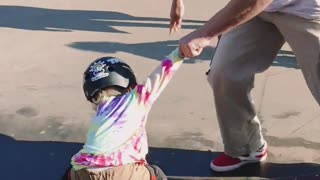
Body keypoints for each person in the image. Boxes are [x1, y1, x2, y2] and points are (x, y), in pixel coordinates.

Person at [170, 0, 320, 172]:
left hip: (309, 12)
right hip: (256, 11)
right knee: (225, 72)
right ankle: (246, 147)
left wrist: (205, 33)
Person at [67, 48, 184, 180]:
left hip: (83, 170)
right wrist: (180, 53)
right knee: (155, 173)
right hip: (122, 173)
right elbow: (161, 75)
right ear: (129, 86)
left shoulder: (100, 112)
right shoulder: (135, 98)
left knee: (70, 173)